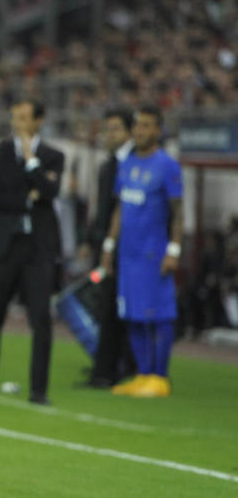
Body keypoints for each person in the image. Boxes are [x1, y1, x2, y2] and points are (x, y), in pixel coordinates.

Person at [0, 98, 65, 405]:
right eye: (15, 117)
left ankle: (39, 390)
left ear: (38, 121)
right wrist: (29, 195)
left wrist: (31, 162)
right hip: (4, 247)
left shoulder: (53, 156)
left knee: (41, 319)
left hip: (38, 248)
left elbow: (50, 192)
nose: (18, 124)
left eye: (25, 118)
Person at [101, 104, 184, 398]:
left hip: (153, 253)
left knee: (159, 315)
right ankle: (143, 374)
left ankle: (160, 377)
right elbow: (119, 209)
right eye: (137, 125)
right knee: (133, 314)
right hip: (128, 254)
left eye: (147, 125)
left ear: (158, 130)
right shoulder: (127, 164)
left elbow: (178, 211)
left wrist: (174, 250)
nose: (140, 131)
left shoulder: (167, 166)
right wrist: (109, 246)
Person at [82, 108, 135, 387]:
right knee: (105, 306)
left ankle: (115, 369)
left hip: (127, 249)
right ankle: (107, 367)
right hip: (106, 247)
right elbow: (102, 210)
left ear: (129, 132)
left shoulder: (135, 164)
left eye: (115, 129)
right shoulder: (108, 165)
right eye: (107, 129)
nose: (109, 134)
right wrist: (91, 241)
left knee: (121, 308)